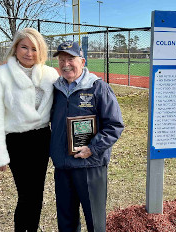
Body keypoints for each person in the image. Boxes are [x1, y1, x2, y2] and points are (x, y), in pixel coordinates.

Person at [0, 27, 59, 231]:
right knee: (26, 194)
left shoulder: (50, 75)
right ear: (15, 48)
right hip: (17, 142)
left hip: (42, 139)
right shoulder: (1, 76)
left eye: (34, 49)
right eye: (24, 47)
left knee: (38, 194)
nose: (29, 53)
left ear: (40, 51)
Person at [50, 41, 124, 232]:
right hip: (63, 166)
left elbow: (114, 125)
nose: (66, 64)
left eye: (71, 59)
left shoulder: (98, 88)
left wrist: (92, 148)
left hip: (90, 166)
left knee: (95, 222)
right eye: (62, 60)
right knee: (66, 222)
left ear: (82, 61)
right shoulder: (55, 90)